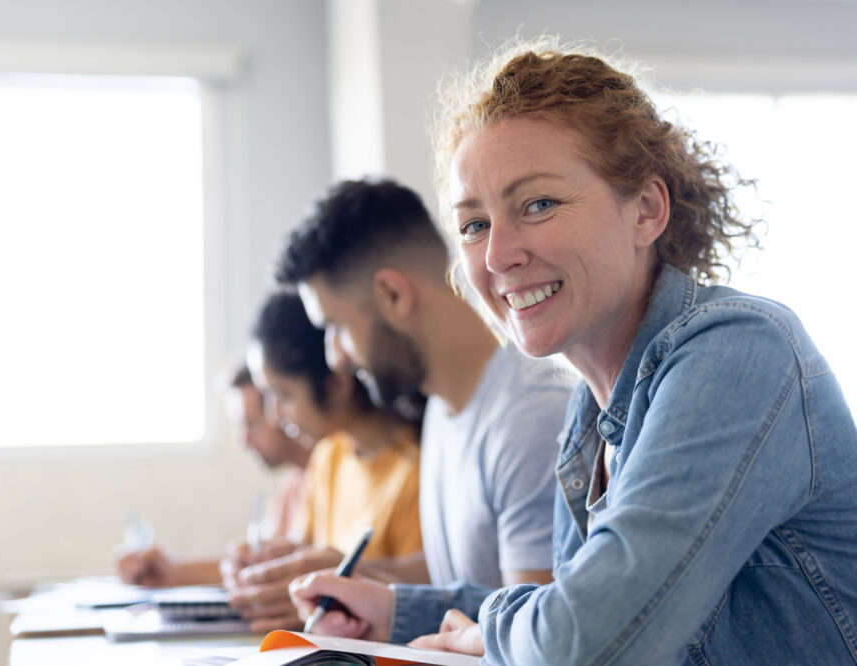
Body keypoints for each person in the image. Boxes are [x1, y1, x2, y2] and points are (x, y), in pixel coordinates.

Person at [290, 40, 857, 665]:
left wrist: (492, 630)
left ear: (646, 210)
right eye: (474, 224)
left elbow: (585, 641)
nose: (498, 255)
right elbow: (571, 605)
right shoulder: (587, 417)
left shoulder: (739, 354)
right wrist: (396, 612)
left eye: (538, 204)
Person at [270, 178, 571, 595]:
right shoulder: (441, 408)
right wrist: (350, 578)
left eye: (337, 327)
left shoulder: (530, 420)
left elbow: (528, 641)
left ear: (393, 294)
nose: (335, 357)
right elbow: (467, 575)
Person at [224, 289, 424, 633]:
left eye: (283, 395)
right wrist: (270, 568)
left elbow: (422, 604)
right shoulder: (329, 456)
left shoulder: (416, 469)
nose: (274, 415)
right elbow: (305, 555)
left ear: (336, 384)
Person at [113, 364, 312, 587]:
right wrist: (174, 569)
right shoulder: (293, 488)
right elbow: (258, 566)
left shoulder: (330, 477)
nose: (243, 440)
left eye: (251, 424)